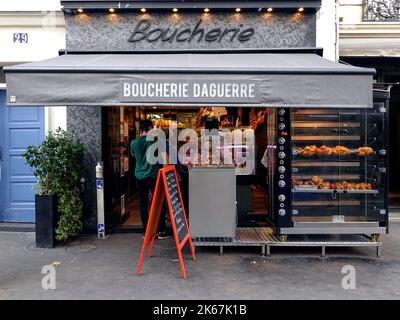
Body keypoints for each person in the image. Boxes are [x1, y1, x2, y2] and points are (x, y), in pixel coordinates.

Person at [130, 119, 171, 239]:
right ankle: (161, 231)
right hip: (153, 176)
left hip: (139, 176)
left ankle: (146, 232)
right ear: (150, 128)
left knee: (143, 203)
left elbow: (134, 155)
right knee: (158, 202)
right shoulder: (156, 141)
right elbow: (166, 161)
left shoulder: (134, 143)